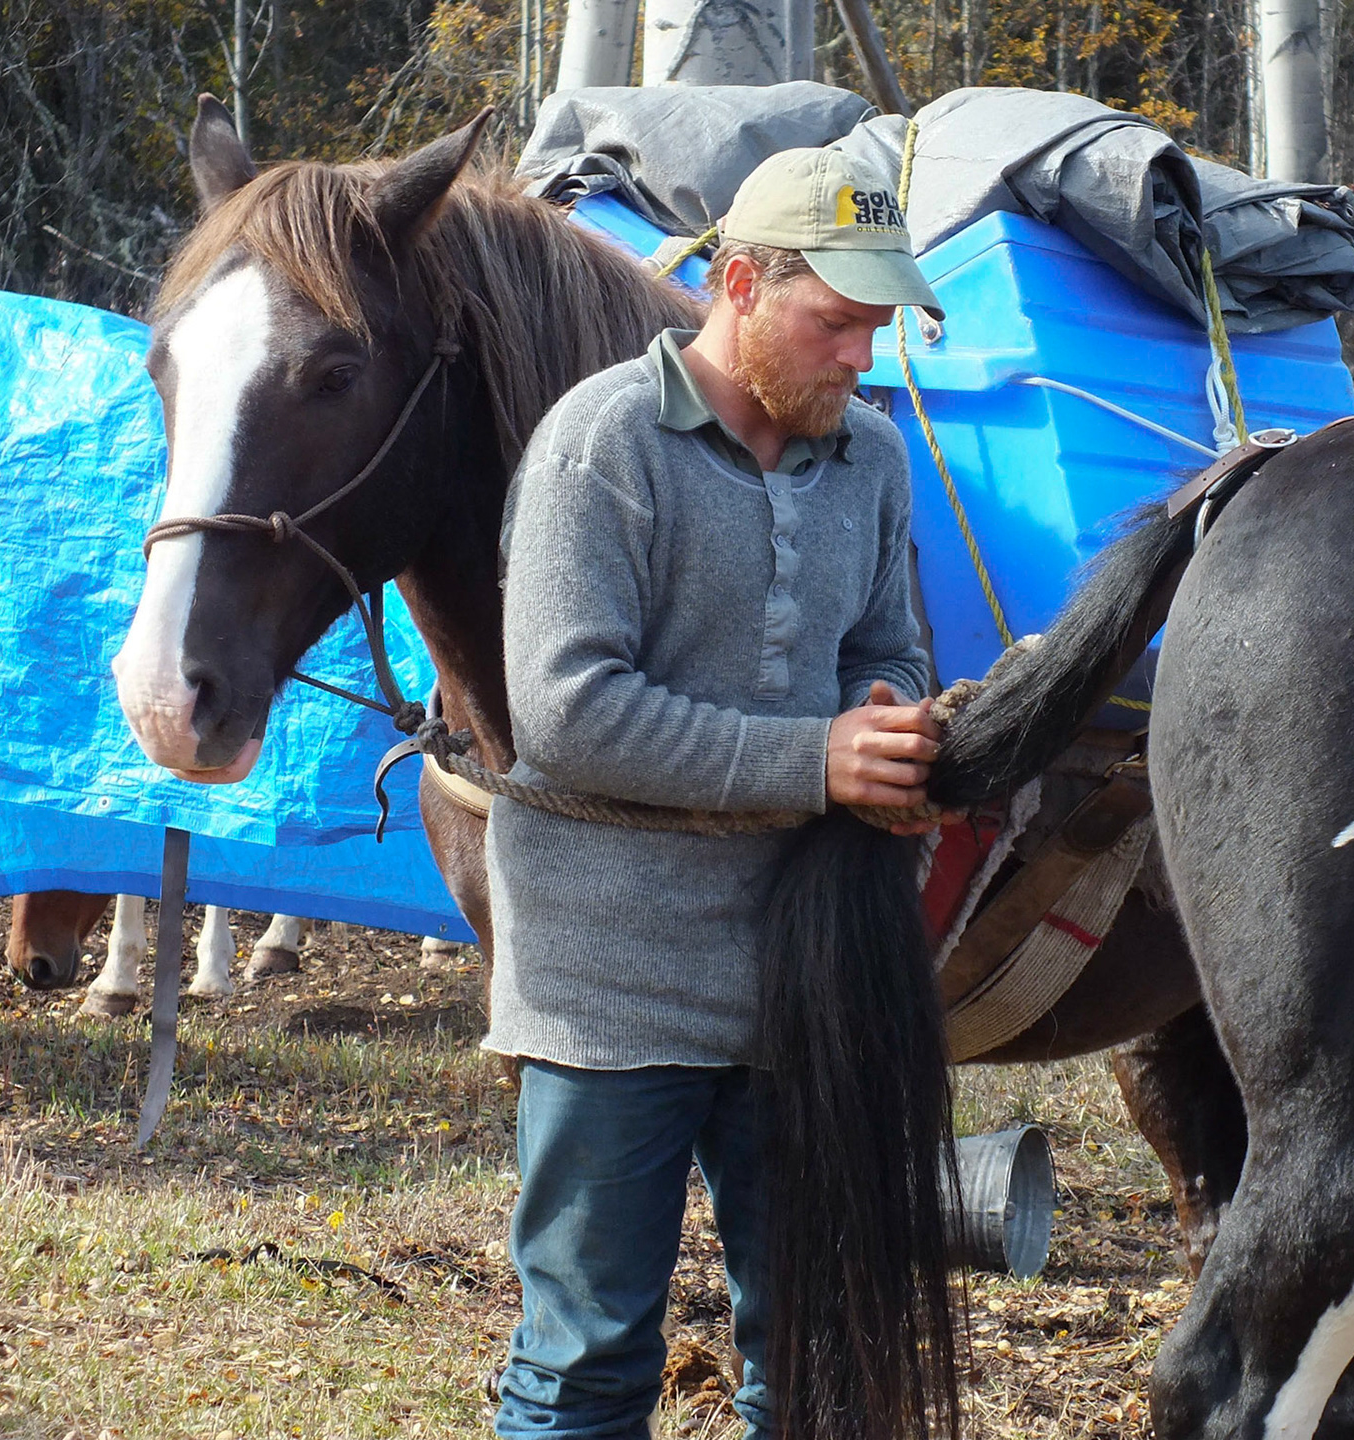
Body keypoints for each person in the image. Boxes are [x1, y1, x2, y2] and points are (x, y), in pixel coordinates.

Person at [484, 146, 945, 1439]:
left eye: (879, 327)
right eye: (839, 322)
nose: (864, 356)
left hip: (802, 970)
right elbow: (568, 714)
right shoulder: (602, 444)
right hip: (612, 981)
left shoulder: (870, 459)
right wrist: (818, 762)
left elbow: (885, 647)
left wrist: (891, 717)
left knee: (813, 1360)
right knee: (588, 1360)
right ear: (740, 283)